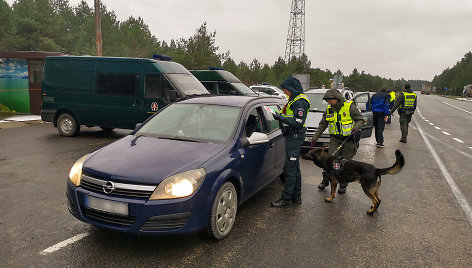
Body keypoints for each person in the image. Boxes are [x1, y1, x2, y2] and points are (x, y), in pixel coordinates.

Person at [310, 88, 364, 194]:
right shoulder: (329, 109)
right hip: (335, 139)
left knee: (345, 163)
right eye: (327, 101)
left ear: (337, 98)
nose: (328, 103)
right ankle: (325, 181)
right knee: (329, 161)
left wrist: (356, 127)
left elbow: (360, 119)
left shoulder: (349, 107)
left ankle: (343, 185)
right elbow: (322, 124)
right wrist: (314, 138)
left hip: (349, 140)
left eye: (330, 100)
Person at [271, 77, 310, 208]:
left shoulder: (300, 102)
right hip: (292, 136)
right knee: (295, 168)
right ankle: (296, 196)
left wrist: (280, 117)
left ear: (292, 88)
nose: (284, 91)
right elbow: (291, 116)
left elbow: (298, 122)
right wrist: (279, 114)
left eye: (285, 89)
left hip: (295, 136)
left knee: (290, 169)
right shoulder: (294, 100)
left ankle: (286, 198)